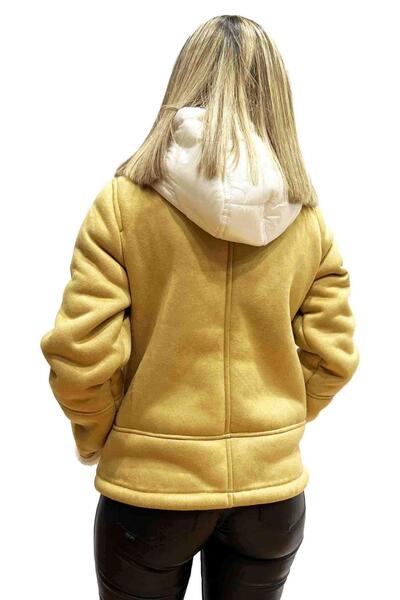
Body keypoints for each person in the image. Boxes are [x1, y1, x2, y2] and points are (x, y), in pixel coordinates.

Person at [39, 14, 360, 600]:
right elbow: (333, 357)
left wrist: (103, 437)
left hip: (149, 498)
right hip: (271, 501)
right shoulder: (307, 219)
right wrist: (269, 435)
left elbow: (81, 355)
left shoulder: (123, 204)